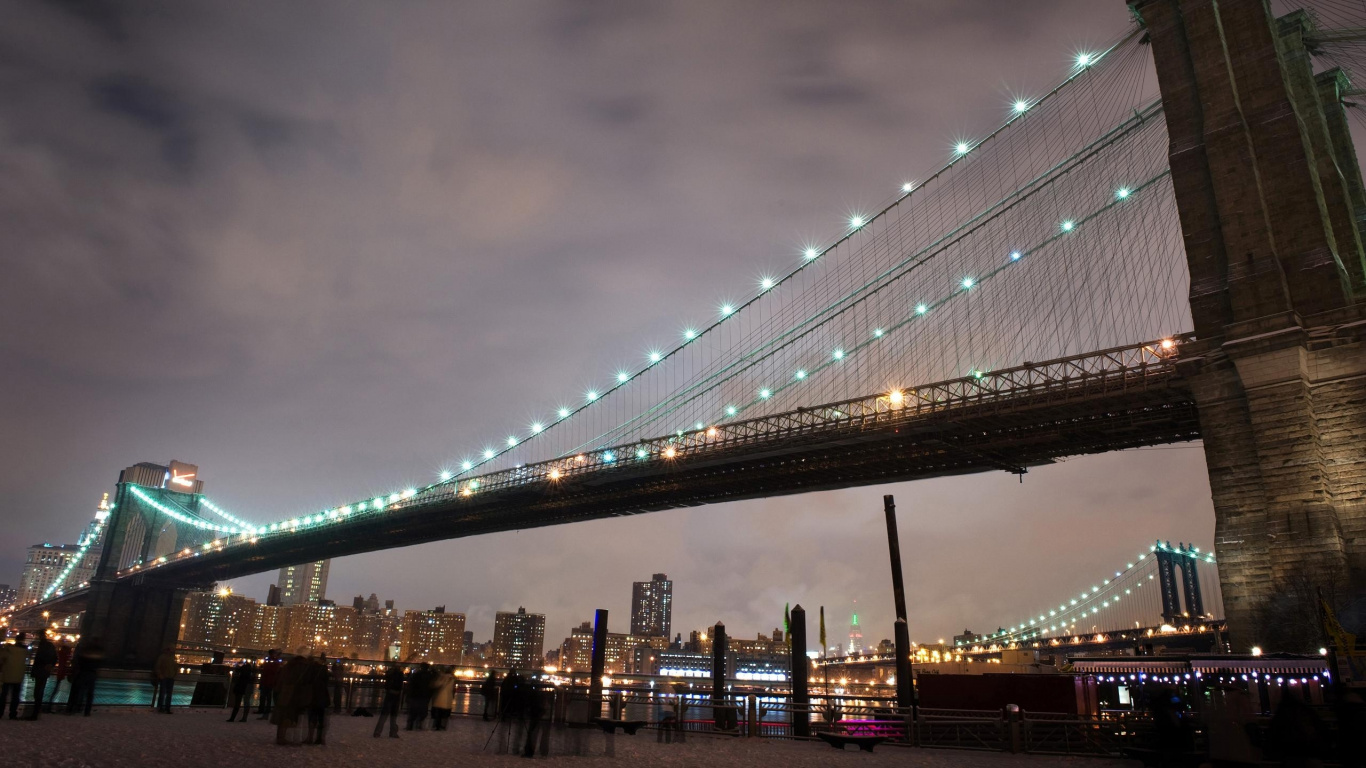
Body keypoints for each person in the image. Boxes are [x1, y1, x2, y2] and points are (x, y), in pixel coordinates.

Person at [271, 654, 309, 746]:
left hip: (283, 694)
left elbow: (278, 681)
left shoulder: (286, 668)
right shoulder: (297, 670)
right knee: (288, 716)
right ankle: (283, 738)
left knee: (283, 715)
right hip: (291, 694)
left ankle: (280, 737)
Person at [65, 637, 104, 716]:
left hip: (83, 672)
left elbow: (79, 660)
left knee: (79, 690)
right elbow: (99, 662)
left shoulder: (84, 650)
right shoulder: (98, 651)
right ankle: (86, 711)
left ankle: (73, 708)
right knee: (89, 693)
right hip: (91, 673)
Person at [27, 634, 57, 720]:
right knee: (40, 691)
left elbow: (38, 660)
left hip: (39, 671)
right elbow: (54, 658)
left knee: (37, 692)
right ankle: (36, 711)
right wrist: (50, 665)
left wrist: (33, 672)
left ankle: (35, 713)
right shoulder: (50, 647)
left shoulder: (42, 648)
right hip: (45, 672)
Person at [0, 633, 29, 720]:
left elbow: (1, 659)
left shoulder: (8, 649)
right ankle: (12, 713)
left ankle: (0, 712)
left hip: (7, 675)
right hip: (18, 676)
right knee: (15, 696)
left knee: (3, 695)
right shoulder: (24, 651)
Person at [303, 653, 330, 746]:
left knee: (311, 717)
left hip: (312, 696)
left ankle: (310, 737)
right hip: (322, 696)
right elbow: (327, 681)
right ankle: (320, 738)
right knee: (321, 718)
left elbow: (306, 681)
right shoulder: (323, 669)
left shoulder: (309, 669)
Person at [372, 663, 404, 739]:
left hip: (389, 695)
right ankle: (392, 732)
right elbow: (400, 685)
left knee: (384, 715)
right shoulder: (399, 674)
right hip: (396, 695)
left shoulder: (390, 673)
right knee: (393, 716)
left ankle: (377, 732)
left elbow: (387, 685)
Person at [405, 662, 436, 731]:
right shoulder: (429, 675)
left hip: (415, 695)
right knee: (423, 710)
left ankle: (410, 725)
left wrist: (410, 694)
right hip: (425, 695)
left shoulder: (416, 675)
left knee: (413, 710)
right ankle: (419, 724)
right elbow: (434, 681)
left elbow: (411, 685)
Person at [256, 649, 280, 719]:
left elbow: (268, 671)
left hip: (267, 682)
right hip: (269, 682)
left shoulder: (270, 661)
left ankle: (264, 712)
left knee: (266, 698)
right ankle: (265, 712)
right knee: (267, 698)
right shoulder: (274, 661)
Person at [430, 666, 455, 731]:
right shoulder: (452, 678)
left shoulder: (443, 677)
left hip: (440, 697)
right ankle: (443, 726)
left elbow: (437, 684)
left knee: (438, 713)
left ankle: (437, 726)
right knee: (445, 714)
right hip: (448, 698)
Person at [152, 647, 177, 713]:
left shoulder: (170, 658)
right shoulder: (164, 657)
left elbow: (176, 667)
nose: (172, 651)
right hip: (165, 677)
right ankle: (163, 708)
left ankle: (164, 708)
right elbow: (157, 667)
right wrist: (160, 675)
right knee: (164, 693)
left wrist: (174, 675)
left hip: (168, 678)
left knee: (166, 693)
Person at [51, 642, 72, 712]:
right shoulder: (65, 656)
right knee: (59, 689)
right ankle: (52, 703)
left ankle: (50, 703)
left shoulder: (61, 654)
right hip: (62, 673)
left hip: (60, 673)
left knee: (56, 688)